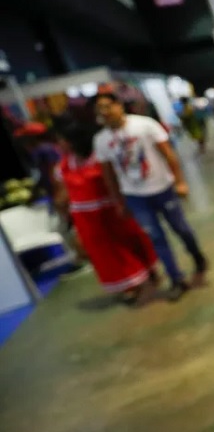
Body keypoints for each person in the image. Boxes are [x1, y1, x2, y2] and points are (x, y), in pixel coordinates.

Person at [90, 93, 208, 299]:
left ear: (119, 105)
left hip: (163, 188)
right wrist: (119, 202)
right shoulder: (101, 140)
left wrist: (180, 181)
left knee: (180, 228)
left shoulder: (145, 125)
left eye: (107, 106)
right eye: (99, 109)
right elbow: (109, 174)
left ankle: (197, 255)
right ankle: (176, 278)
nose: (104, 112)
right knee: (156, 237)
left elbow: (168, 154)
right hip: (135, 195)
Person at [52, 121, 159, 303]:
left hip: (110, 210)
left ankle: (148, 271)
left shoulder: (100, 158)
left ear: (72, 141)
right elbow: (63, 192)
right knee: (106, 253)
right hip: (85, 217)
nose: (59, 145)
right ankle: (130, 285)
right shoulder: (63, 166)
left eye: (61, 141)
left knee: (131, 240)